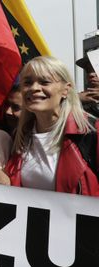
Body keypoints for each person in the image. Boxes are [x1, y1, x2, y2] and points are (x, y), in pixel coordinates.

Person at [6, 56, 99, 196]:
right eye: (27, 82)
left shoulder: (92, 132)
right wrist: (4, 182)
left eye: (45, 82)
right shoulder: (19, 136)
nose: (34, 88)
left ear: (66, 90)